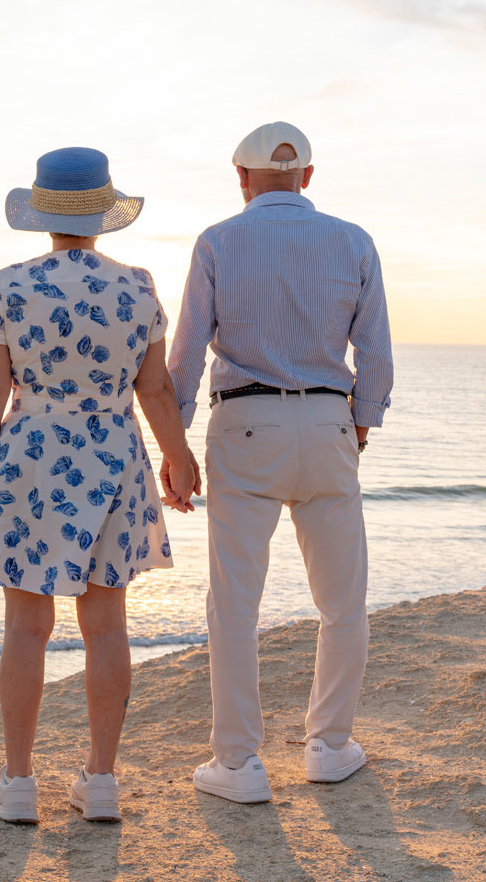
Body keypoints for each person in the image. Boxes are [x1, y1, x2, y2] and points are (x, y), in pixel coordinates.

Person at [0, 146, 198, 825]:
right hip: (113, 450)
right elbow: (155, 389)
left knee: (26, 625)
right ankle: (100, 781)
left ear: (42, 214)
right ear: (103, 213)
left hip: (31, 454)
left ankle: (18, 782)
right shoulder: (137, 286)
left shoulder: (12, 284)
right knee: (106, 624)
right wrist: (178, 457)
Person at [165, 121, 393, 804]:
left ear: (240, 178)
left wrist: (175, 446)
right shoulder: (353, 240)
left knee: (235, 602)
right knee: (342, 600)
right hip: (326, 420)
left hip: (245, 424)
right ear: (307, 177)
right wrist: (357, 423)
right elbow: (375, 352)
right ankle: (329, 746)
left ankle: (238, 764)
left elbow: (186, 353)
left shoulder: (217, 241)